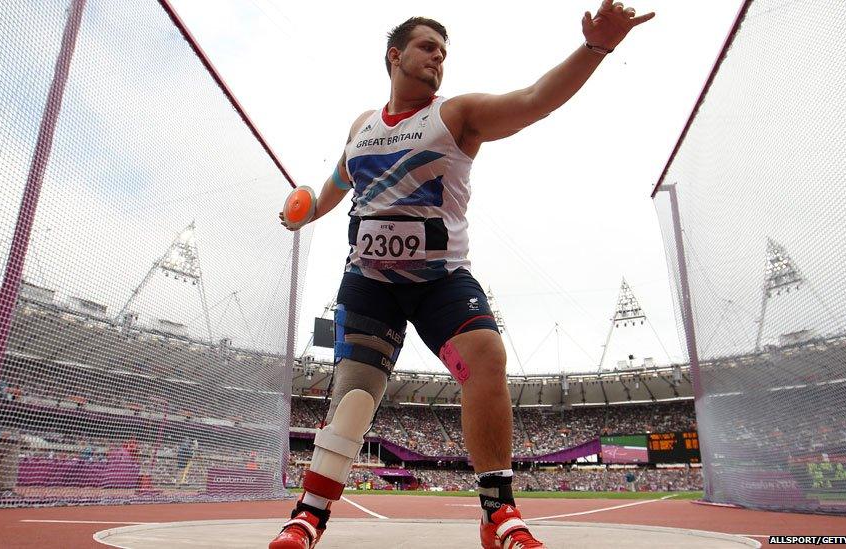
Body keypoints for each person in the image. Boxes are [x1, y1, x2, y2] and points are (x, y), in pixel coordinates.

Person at [272, 2, 653, 548]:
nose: (438, 59)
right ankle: (308, 516)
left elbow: (533, 102)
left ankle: (498, 514)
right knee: (354, 397)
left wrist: (595, 48)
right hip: (369, 282)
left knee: (486, 358)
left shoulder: (457, 114)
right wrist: (305, 211)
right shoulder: (361, 125)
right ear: (395, 55)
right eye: (428, 47)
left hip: (441, 281)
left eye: (444, 54)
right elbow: (337, 182)